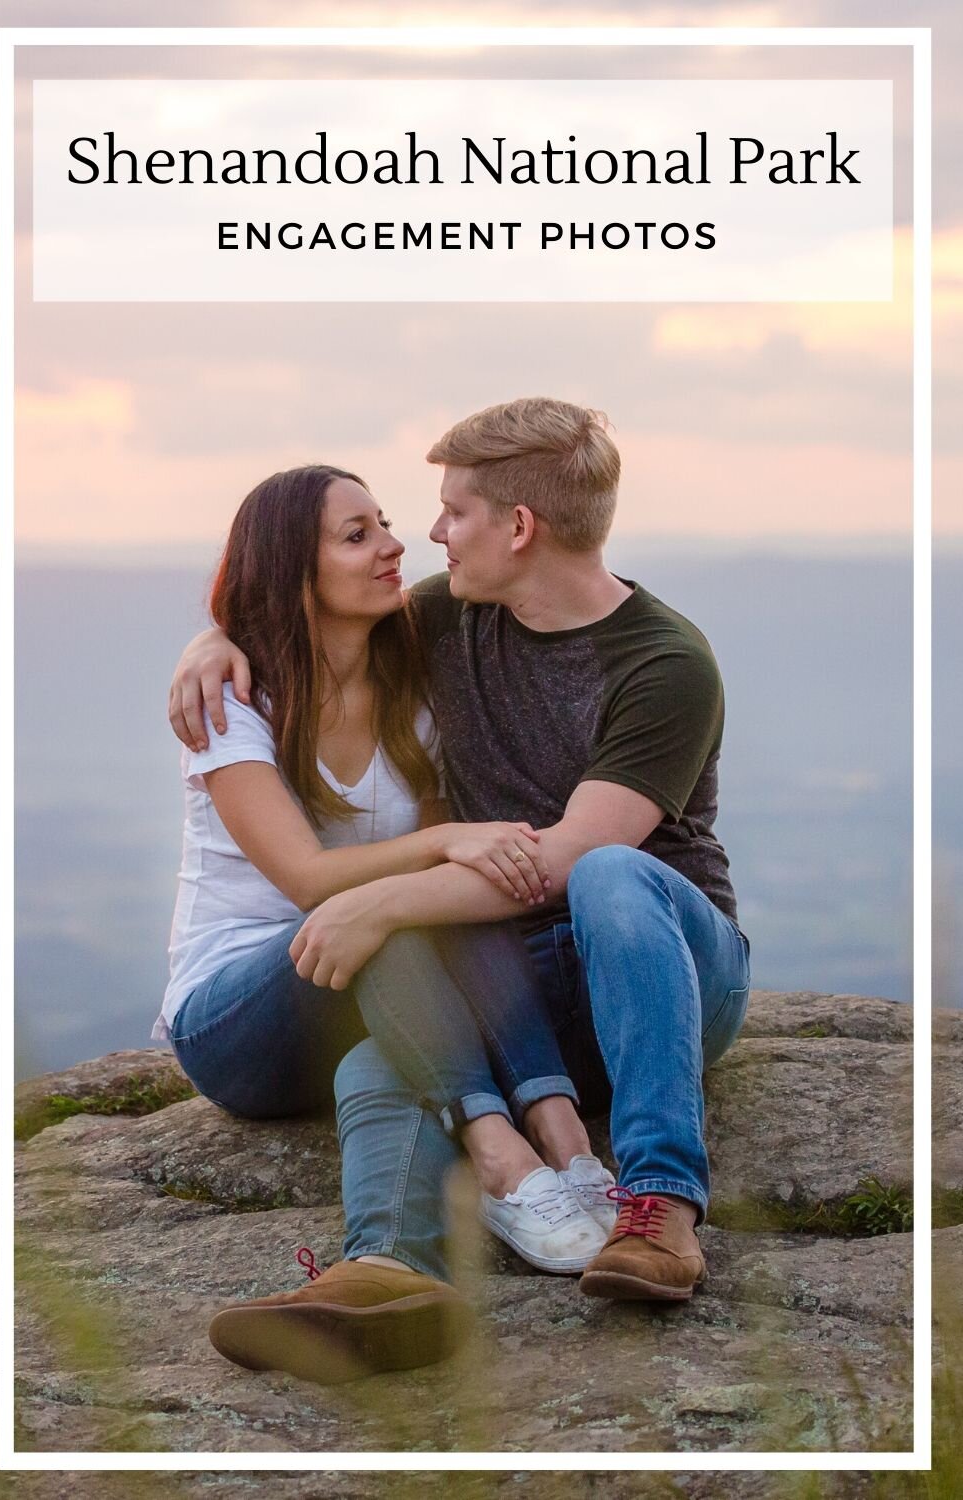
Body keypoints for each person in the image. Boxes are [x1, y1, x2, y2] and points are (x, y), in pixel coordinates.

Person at [169, 398, 750, 1382]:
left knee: (598, 874)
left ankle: (657, 1208)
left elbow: (565, 865)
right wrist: (211, 640)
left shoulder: (663, 663)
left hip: (658, 968)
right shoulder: (447, 618)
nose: (425, 537)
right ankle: (386, 1271)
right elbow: (290, 609)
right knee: (386, 1051)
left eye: (450, 512)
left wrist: (382, 900)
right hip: (504, 977)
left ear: (518, 528)